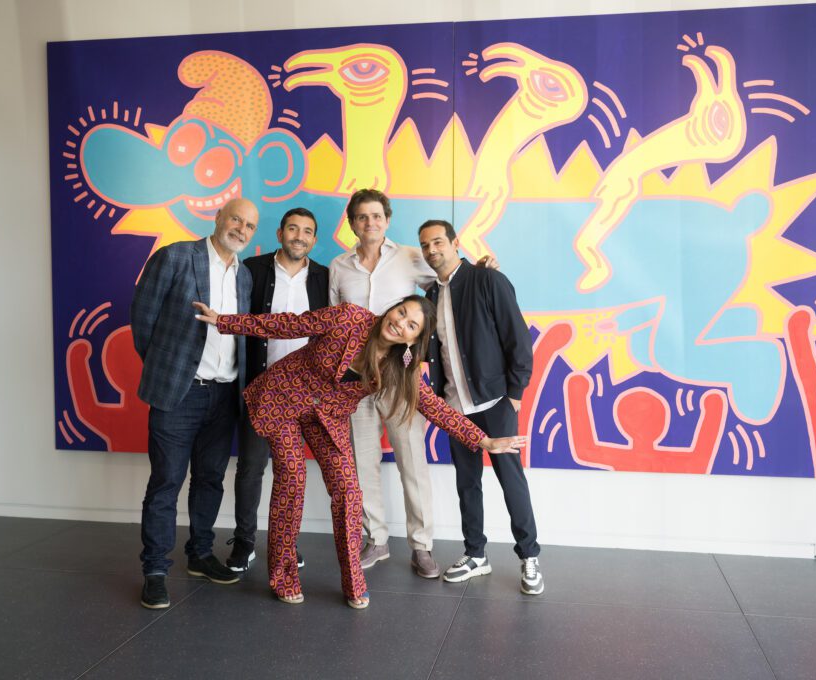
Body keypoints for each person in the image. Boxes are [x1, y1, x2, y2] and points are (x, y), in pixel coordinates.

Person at [193, 296, 526, 609]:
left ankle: (352, 580)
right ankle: (282, 576)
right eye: (401, 313)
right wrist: (225, 321)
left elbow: (433, 406)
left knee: (349, 493)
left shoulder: (400, 367)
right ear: (392, 309)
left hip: (328, 418)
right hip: (285, 398)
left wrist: (484, 441)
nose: (401, 323)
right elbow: (289, 324)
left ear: (413, 340)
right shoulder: (349, 317)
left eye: (412, 325)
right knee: (292, 479)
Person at [329, 189, 497, 578]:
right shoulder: (339, 266)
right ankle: (377, 540)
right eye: (362, 217)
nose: (370, 223)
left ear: (386, 220)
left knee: (412, 462)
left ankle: (421, 546)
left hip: (401, 374)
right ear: (352, 223)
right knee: (363, 463)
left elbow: (447, 277)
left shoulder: (409, 256)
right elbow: (335, 322)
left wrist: (481, 267)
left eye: (377, 216)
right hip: (355, 379)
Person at [130, 198, 255, 609]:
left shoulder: (245, 276)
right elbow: (143, 321)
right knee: (166, 482)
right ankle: (155, 570)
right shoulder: (175, 256)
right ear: (218, 217)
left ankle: (200, 554)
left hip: (224, 396)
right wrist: (168, 371)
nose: (241, 228)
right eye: (235, 218)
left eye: (249, 225)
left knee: (209, 480)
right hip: (179, 393)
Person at [418, 219, 545, 595]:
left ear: (455, 243)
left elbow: (518, 339)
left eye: (438, 242)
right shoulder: (429, 296)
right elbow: (432, 351)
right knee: (467, 482)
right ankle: (476, 553)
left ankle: (529, 557)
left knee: (511, 479)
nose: (432, 250)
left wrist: (516, 393)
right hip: (455, 405)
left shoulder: (488, 280)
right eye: (425, 246)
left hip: (496, 401)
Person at [226, 207, 328, 573]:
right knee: (251, 468)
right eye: (293, 229)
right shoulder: (252, 271)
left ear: (314, 239)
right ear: (280, 233)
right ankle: (245, 541)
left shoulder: (324, 279)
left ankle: (286, 541)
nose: (299, 236)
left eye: (307, 231)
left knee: (291, 473)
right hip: (260, 388)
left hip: (304, 393)